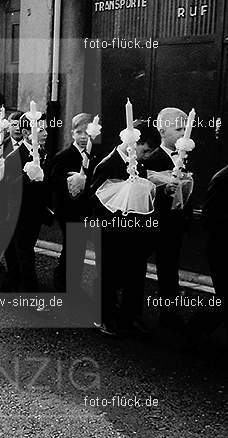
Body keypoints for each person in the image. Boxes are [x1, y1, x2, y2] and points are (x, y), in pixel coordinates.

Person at [90, 120, 154, 337]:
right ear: (135, 142)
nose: (146, 155)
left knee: (135, 276)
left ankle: (130, 316)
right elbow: (95, 202)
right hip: (111, 233)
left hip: (135, 233)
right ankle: (104, 317)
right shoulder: (107, 165)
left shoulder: (140, 166)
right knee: (109, 275)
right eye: (145, 149)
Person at [144, 107, 193, 331]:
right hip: (155, 222)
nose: (184, 134)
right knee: (138, 264)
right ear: (163, 131)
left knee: (169, 267)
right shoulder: (153, 159)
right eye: (179, 129)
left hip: (173, 223)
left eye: (186, 129)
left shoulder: (184, 157)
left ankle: (169, 312)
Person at [49, 113, 100, 292]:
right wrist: (70, 181)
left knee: (81, 248)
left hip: (88, 209)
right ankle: (63, 282)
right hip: (68, 210)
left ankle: (75, 283)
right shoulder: (63, 156)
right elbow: (54, 181)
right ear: (72, 133)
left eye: (87, 132)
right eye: (79, 132)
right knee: (72, 247)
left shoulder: (96, 155)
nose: (83, 137)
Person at [1, 112, 51, 293]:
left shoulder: (45, 154)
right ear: (25, 132)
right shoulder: (14, 157)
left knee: (25, 250)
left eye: (45, 128)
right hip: (18, 213)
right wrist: (26, 177)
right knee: (25, 253)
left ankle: (16, 281)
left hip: (35, 212)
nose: (45, 133)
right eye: (40, 129)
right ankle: (31, 292)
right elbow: (8, 187)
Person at [186, 164, 228, 344]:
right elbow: (210, 218)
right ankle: (193, 332)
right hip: (223, 249)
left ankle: (193, 333)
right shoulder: (222, 179)